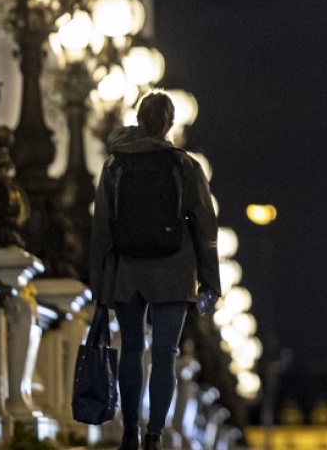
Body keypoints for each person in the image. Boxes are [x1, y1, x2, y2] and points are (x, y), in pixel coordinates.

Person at [90, 91, 221, 450]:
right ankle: (154, 436)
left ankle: (130, 429)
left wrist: (98, 280)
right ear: (168, 124)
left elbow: (102, 226)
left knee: (132, 349)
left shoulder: (115, 165)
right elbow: (206, 229)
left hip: (128, 269)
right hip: (175, 271)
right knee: (166, 355)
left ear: (140, 118)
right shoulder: (185, 166)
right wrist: (211, 280)